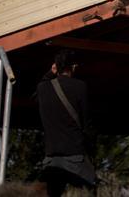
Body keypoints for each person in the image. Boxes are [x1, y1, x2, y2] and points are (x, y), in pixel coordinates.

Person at [36, 50, 96, 196]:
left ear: (56, 67)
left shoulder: (42, 88)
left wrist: (51, 73)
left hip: (51, 158)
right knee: (91, 188)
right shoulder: (80, 86)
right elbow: (86, 121)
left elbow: (43, 81)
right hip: (75, 157)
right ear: (73, 67)